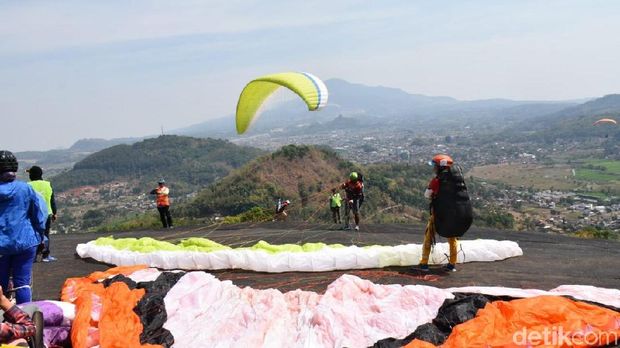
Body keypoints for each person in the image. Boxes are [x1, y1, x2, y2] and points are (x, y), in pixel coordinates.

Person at [0, 151, 47, 304]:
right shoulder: (25, 189)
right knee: (22, 283)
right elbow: (39, 214)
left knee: (1, 285)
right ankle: (24, 319)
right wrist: (41, 236)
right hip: (26, 242)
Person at [419, 154, 459, 272]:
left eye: (435, 166)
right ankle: (452, 264)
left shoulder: (437, 181)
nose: (434, 168)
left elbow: (427, 195)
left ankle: (424, 264)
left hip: (438, 214)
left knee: (428, 237)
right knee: (452, 239)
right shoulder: (456, 181)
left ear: (440, 167)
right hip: (452, 214)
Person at [26, 165, 57, 262]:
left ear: (31, 175)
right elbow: (52, 200)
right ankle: (45, 255)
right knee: (46, 234)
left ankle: (33, 256)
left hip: (32, 214)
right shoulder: (48, 184)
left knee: (33, 234)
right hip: (46, 213)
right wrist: (54, 213)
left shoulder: (28, 185)